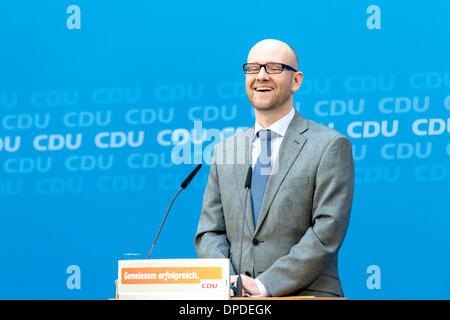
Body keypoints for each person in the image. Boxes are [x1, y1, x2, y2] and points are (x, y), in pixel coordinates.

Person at [194, 39, 354, 297]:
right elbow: (210, 232)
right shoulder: (224, 151)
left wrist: (265, 285)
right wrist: (227, 281)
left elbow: (327, 231)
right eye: (253, 68)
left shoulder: (330, 145)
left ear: (296, 81)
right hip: (235, 301)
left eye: (274, 68)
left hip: (307, 294)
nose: (261, 76)